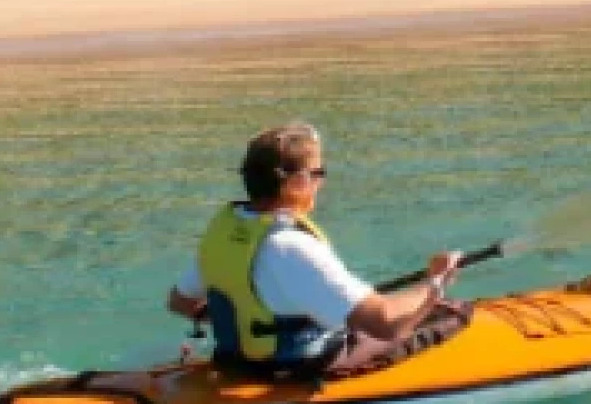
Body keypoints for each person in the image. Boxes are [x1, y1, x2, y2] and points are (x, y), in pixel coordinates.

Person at [167, 123, 468, 378]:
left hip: (236, 363)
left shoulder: (226, 234)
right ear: (297, 182)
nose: (320, 182)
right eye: (318, 173)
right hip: (300, 367)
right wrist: (436, 282)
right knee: (452, 313)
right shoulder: (293, 246)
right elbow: (386, 323)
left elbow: (180, 302)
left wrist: (234, 318)